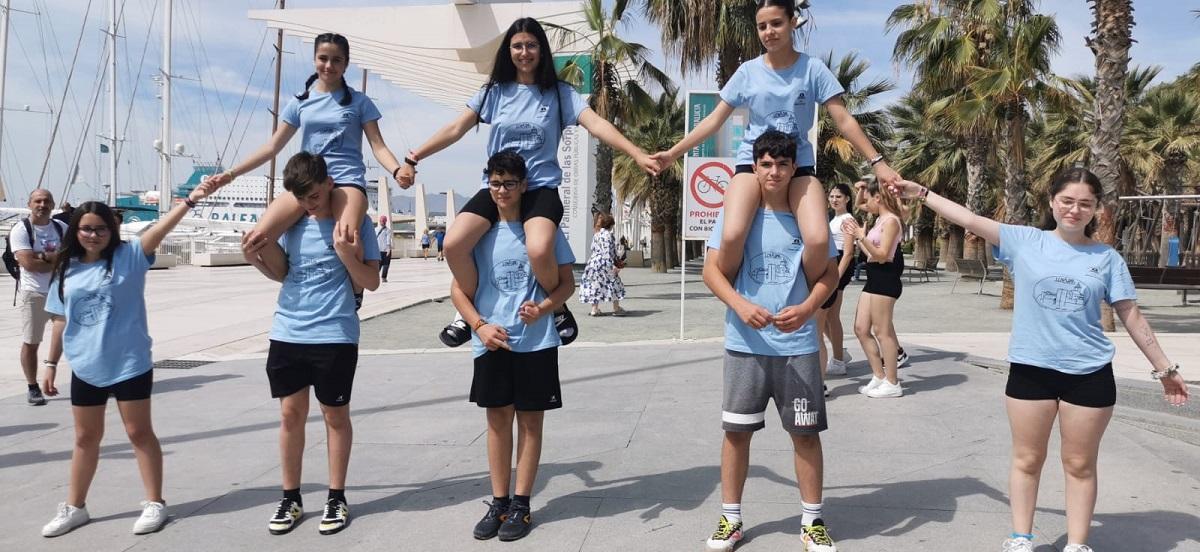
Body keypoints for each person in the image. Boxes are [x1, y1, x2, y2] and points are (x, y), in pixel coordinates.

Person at [890, 169, 1190, 552]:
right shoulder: (1024, 240)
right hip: (1032, 369)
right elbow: (968, 218)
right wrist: (922, 192)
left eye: (1085, 203)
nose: (1075, 209)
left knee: (1080, 465)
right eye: (1067, 201)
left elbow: (1131, 314)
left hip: (1089, 372)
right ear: (1052, 202)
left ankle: (1077, 544)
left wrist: (1165, 369)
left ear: (1096, 208)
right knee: (1027, 459)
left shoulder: (1106, 258)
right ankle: (1020, 537)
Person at [397, 17, 655, 346]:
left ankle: (557, 307)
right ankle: (468, 309)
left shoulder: (560, 94)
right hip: (498, 187)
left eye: (531, 45)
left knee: (538, 248)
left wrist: (637, 153)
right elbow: (455, 129)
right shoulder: (494, 92)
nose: (524, 52)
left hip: (539, 189)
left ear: (542, 51)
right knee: (453, 244)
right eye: (517, 46)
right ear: (508, 51)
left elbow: (596, 125)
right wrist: (414, 156)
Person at [653, 0, 900, 300]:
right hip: (753, 164)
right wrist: (672, 153)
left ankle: (805, 294)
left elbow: (844, 120)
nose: (769, 32)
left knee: (819, 239)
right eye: (762, 26)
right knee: (731, 235)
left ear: (793, 22)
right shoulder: (747, 72)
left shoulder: (813, 69)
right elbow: (714, 121)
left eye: (776, 23)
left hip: (799, 166)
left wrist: (877, 162)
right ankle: (735, 293)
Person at [39, 184, 211, 537]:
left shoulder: (130, 257)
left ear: (111, 230)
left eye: (101, 228)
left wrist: (191, 201)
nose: (93, 234)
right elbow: (59, 321)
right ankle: (75, 507)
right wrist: (50, 363)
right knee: (86, 438)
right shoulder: (66, 269)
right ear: (76, 230)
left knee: (138, 433)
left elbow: (161, 227)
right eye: (86, 228)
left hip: (129, 362)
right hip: (86, 364)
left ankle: (155, 503)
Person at [701, 130, 839, 552]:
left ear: (793, 168)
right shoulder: (736, 217)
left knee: (805, 435)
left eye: (782, 164)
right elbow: (711, 271)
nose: (774, 172)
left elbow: (829, 275)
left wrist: (809, 308)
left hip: (797, 349)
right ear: (754, 167)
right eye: (765, 164)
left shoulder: (806, 219)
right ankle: (730, 519)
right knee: (737, 434)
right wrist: (741, 306)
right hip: (745, 346)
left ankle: (812, 522)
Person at [205, 33, 407, 300]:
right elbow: (271, 147)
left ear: (346, 65)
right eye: (323, 58)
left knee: (345, 237)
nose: (329, 65)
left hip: (346, 181)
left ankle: (354, 291)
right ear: (314, 60)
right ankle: (291, 280)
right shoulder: (300, 102)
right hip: (308, 180)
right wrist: (231, 174)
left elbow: (377, 145)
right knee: (258, 238)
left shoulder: (359, 102)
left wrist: (396, 170)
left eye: (336, 60)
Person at [241, 152, 381, 537]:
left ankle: (336, 496)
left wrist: (346, 254)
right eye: (302, 199)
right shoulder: (293, 225)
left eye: (315, 196)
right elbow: (284, 273)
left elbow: (370, 282)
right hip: (288, 331)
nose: (309, 204)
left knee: (335, 416)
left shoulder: (355, 223)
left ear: (329, 183)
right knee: (290, 415)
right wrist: (253, 257)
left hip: (334, 333)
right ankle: (291, 496)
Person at [449, 151, 576, 542]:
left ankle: (521, 505)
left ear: (524, 186)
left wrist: (545, 307)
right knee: (497, 422)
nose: (501, 191)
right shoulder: (478, 234)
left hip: (536, 342)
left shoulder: (544, 232)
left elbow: (567, 284)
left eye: (509, 184)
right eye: (494, 183)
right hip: (491, 342)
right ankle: (499, 501)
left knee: (531, 423)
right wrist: (479, 326)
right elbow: (458, 289)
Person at [841, 180, 907, 398]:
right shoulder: (880, 219)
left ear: (878, 198)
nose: (865, 203)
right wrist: (858, 235)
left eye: (868, 198)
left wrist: (861, 236)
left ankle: (892, 382)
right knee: (860, 328)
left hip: (885, 278)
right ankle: (879, 375)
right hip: (874, 277)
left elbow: (882, 255)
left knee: (882, 331)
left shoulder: (892, 222)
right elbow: (871, 253)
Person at [8, 189, 67, 406]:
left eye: (46, 201)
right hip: (34, 293)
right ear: (29, 203)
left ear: (53, 204)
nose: (42, 205)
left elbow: (73, 257)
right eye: (38, 201)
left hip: (61, 292)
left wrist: (41, 256)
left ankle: (92, 381)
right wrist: (54, 259)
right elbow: (29, 264)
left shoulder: (62, 228)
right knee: (32, 342)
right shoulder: (21, 230)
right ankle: (32, 386)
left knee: (75, 337)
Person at [817, 183, 856, 379]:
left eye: (838, 196)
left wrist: (835, 278)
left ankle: (839, 360)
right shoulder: (836, 218)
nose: (834, 199)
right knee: (824, 317)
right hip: (832, 262)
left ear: (847, 199)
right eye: (831, 196)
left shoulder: (848, 219)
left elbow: (848, 252)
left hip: (841, 264)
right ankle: (840, 353)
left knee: (831, 317)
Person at [579, 212, 627, 316]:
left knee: (595, 284)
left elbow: (592, 248)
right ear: (610, 225)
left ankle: (594, 309)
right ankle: (616, 308)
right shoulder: (609, 235)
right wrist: (614, 265)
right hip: (605, 262)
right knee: (614, 283)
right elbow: (609, 252)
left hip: (593, 262)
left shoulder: (596, 234)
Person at [375, 215, 392, 283]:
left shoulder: (375, 229)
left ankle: (376, 277)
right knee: (386, 264)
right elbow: (388, 240)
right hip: (385, 250)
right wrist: (388, 249)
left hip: (378, 250)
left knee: (379, 264)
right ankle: (383, 278)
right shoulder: (388, 230)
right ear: (386, 221)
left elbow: (373, 240)